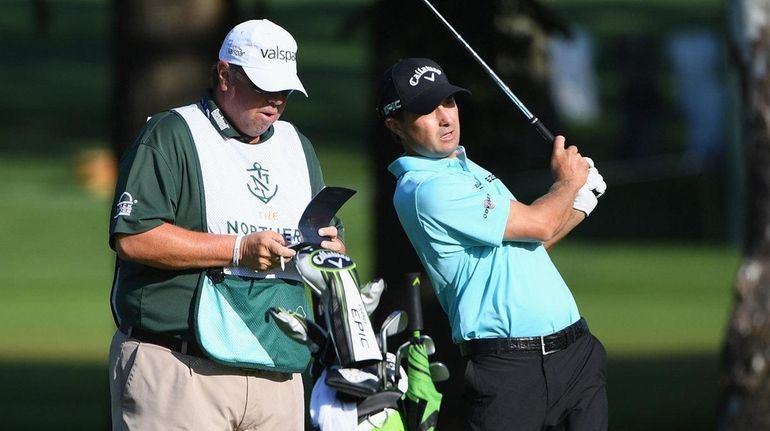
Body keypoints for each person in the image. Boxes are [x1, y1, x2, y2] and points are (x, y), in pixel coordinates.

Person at [108, 19, 345, 430]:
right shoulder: (172, 134)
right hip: (181, 367)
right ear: (224, 74)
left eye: (284, 90)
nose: (275, 101)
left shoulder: (297, 145)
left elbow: (325, 235)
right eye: (262, 87)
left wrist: (328, 250)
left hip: (279, 369)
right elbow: (135, 237)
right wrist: (239, 249)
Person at [377, 57, 608, 431]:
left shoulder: (467, 168)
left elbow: (526, 247)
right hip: (511, 369)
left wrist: (581, 203)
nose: (445, 118)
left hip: (575, 355)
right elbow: (540, 223)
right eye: (425, 110)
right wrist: (567, 185)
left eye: (448, 103)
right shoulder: (425, 190)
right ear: (395, 124)